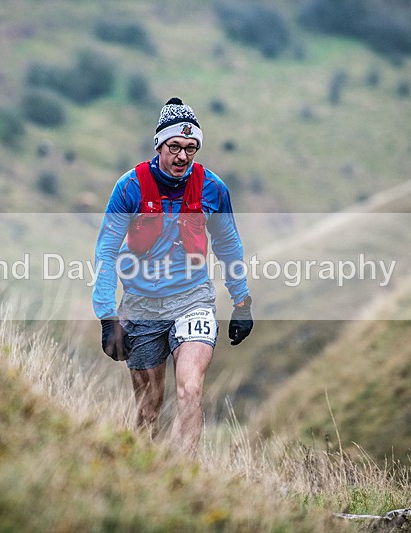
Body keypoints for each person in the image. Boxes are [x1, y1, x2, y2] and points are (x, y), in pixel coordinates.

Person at [93, 97, 253, 457]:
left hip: (193, 299)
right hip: (141, 304)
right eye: (175, 147)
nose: (183, 156)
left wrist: (242, 301)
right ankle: (143, 478)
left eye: (191, 149)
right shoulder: (130, 187)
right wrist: (107, 316)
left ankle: (188, 476)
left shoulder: (212, 188)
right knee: (149, 409)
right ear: (159, 145)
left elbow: (229, 244)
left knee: (190, 389)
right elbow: (105, 251)